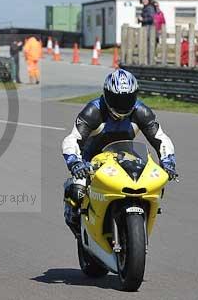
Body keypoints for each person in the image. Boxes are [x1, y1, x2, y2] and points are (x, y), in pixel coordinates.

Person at [60, 69, 177, 238]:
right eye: (117, 99)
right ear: (107, 95)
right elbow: (72, 139)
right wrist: (75, 162)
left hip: (125, 158)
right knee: (77, 191)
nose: (122, 105)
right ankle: (79, 226)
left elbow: (160, 138)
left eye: (127, 99)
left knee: (151, 186)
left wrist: (168, 162)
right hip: (91, 162)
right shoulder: (93, 111)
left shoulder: (141, 112)